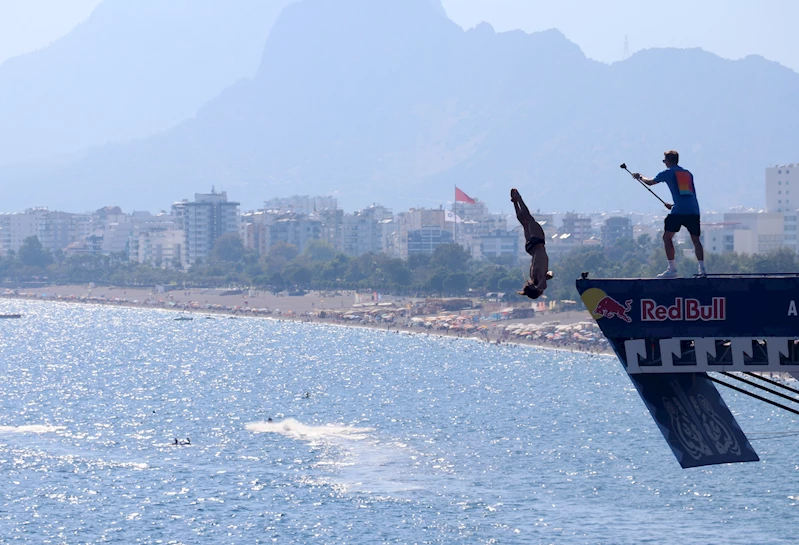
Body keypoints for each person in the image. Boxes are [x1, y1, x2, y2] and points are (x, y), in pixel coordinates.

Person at [633, 150, 706, 278]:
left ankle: (672, 270)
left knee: (667, 238)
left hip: (679, 212)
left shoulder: (668, 173)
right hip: (693, 210)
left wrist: (640, 176)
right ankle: (702, 269)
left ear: (668, 161)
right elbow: (686, 193)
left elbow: (650, 182)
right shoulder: (687, 173)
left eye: (664, 160)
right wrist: (673, 205)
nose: (664, 163)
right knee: (696, 240)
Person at [511, 188, 553, 299]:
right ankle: (515, 203)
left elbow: (545, 280)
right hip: (530, 249)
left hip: (538, 244)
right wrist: (547, 275)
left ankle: (519, 199)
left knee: (529, 219)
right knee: (524, 223)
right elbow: (548, 275)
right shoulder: (533, 276)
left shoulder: (540, 282)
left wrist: (544, 281)